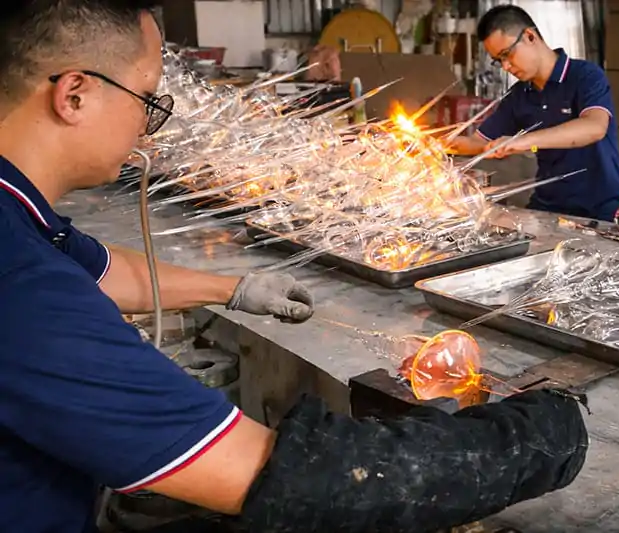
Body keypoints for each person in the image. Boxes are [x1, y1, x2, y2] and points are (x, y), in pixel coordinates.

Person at [0, 2, 588, 532]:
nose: (150, 124)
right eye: (148, 98)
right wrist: (532, 440)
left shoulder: (21, 218)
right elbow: (282, 477)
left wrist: (237, 289)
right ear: (74, 94)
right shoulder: (21, 285)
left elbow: (104, 273)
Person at [449, 5, 619, 222]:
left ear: (530, 36)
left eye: (507, 54)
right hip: (547, 208)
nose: (505, 66)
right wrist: (437, 144)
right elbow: (479, 142)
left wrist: (522, 140)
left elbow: (594, 128)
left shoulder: (585, 76)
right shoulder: (519, 95)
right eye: (498, 60)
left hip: (599, 211)